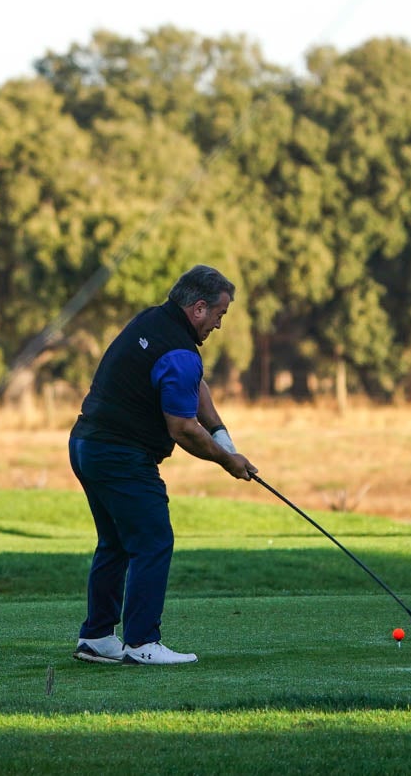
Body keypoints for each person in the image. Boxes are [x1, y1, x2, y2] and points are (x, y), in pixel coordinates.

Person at [67, 264, 258, 666]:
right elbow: (183, 429)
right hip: (120, 455)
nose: (219, 326)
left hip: (86, 445)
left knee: (116, 542)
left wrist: (222, 434)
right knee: (153, 541)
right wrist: (228, 462)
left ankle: (98, 636)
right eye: (220, 315)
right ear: (200, 308)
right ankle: (141, 643)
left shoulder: (155, 322)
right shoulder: (179, 351)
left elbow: (195, 385)